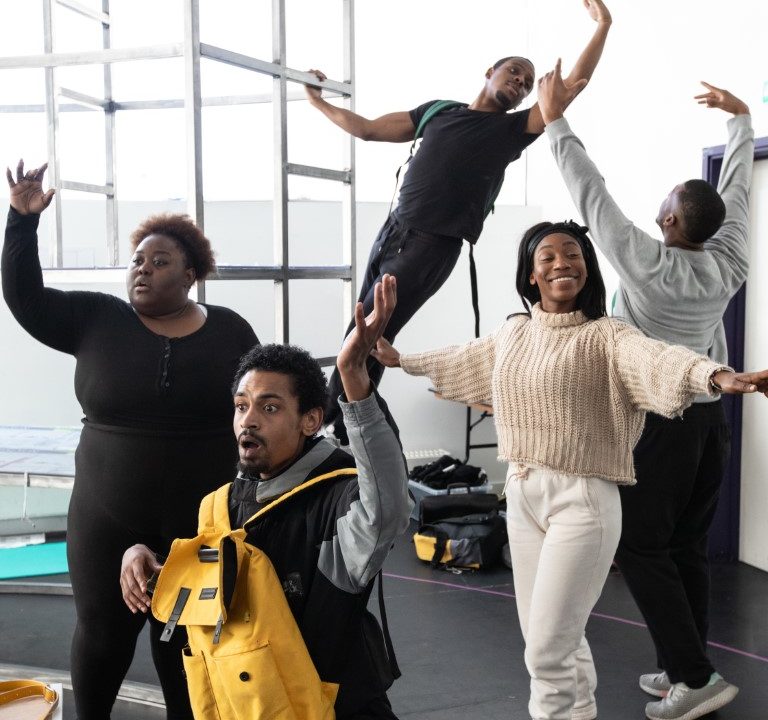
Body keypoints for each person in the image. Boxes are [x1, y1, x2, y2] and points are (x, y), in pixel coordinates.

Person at [371, 221, 768, 720]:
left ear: (586, 266)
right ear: (531, 274)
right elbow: (462, 358)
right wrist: (398, 357)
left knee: (545, 650)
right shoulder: (515, 331)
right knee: (558, 637)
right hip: (522, 496)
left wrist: (719, 376)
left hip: (583, 504)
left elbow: (661, 361)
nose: (562, 262)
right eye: (548, 257)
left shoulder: (608, 337)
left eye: (573, 253)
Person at [1, 161, 259, 720]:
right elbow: (25, 299)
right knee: (102, 637)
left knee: (184, 648)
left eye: (159, 261)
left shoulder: (231, 332)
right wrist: (21, 223)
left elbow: (258, 410)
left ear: (190, 274)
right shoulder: (97, 319)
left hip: (200, 523)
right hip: (105, 515)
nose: (142, 269)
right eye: (137, 260)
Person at [537, 61, 754, 720]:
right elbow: (738, 192)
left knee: (641, 548)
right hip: (710, 421)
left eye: (664, 202)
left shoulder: (648, 261)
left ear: (664, 220)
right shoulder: (731, 258)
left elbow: (589, 190)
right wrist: (741, 121)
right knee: (685, 545)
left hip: (659, 424)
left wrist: (554, 119)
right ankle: (679, 664)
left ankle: (694, 676)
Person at [303, 0, 613, 443]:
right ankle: (349, 431)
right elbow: (369, 128)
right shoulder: (439, 112)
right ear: (491, 71)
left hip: (433, 244)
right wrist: (318, 103)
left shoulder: (512, 131)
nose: (521, 83)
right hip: (392, 233)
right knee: (363, 334)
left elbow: (568, 89)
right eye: (514, 73)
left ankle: (330, 427)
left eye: (527, 83)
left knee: (366, 334)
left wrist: (601, 26)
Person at [120, 274, 412, 719]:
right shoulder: (220, 504)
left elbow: (387, 509)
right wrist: (145, 559)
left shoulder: (337, 501)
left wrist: (353, 376)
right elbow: (217, 596)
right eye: (242, 405)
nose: (248, 420)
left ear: (310, 420)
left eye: (270, 407)